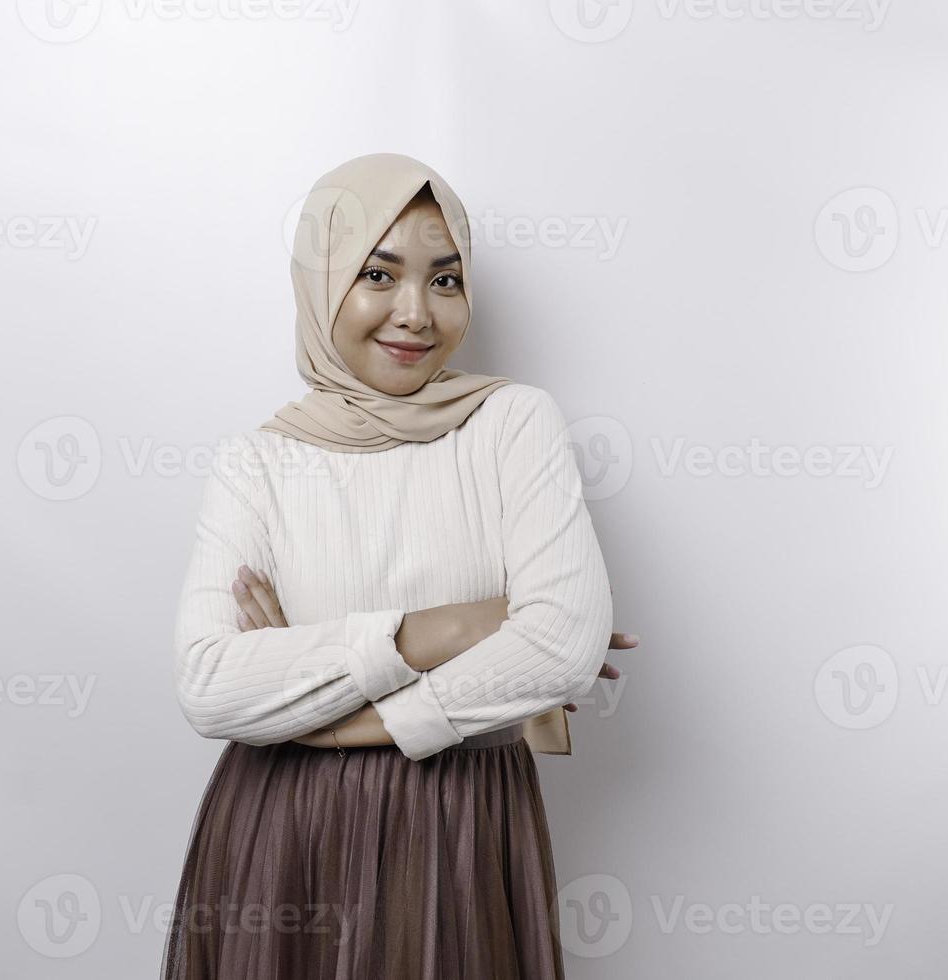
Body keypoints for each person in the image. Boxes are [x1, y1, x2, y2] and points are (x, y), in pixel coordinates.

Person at [160, 152, 637, 979]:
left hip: (459, 826)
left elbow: (561, 644)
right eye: (377, 275)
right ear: (321, 282)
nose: (415, 313)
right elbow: (210, 682)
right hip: (285, 831)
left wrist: (328, 718)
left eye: (444, 281)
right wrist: (463, 624)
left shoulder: (512, 425)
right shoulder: (259, 463)